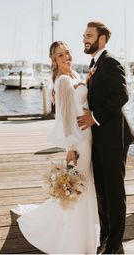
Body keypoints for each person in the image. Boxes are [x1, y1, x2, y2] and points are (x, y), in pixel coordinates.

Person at [12, 41, 100, 254]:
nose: (65, 57)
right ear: (54, 60)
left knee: (86, 188)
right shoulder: (62, 81)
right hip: (78, 141)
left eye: (67, 53)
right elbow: (65, 117)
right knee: (79, 188)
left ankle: (86, 238)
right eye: (60, 55)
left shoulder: (76, 75)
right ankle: (74, 242)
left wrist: (88, 79)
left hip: (88, 136)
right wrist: (70, 148)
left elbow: (82, 104)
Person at [77, 21, 134, 254]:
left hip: (113, 138)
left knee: (113, 191)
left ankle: (115, 246)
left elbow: (122, 95)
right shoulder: (95, 63)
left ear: (102, 39)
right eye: (84, 35)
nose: (85, 38)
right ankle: (104, 237)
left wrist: (94, 117)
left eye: (89, 35)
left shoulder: (110, 61)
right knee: (101, 190)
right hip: (99, 138)